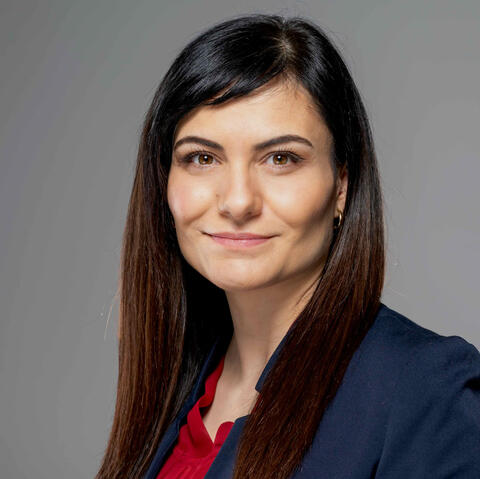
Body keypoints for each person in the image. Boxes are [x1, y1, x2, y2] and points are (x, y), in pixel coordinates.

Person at [95, 13, 480, 479]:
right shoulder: (174, 388)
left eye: (280, 158)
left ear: (341, 186)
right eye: (202, 157)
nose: (238, 201)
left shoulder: (425, 387)